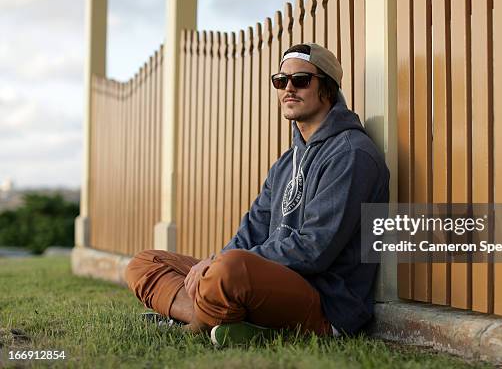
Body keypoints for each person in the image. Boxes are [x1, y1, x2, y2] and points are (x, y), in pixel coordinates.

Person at [125, 43, 390, 346]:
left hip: (326, 302)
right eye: (281, 81)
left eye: (301, 80)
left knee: (229, 270)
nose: (288, 88)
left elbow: (314, 250)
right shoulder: (285, 164)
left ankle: (194, 319)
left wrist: (220, 267)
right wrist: (215, 263)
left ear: (327, 89)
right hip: (266, 283)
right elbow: (251, 230)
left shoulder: (352, 154)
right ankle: (227, 316)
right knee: (145, 263)